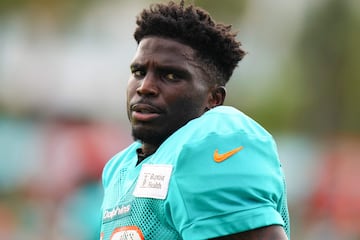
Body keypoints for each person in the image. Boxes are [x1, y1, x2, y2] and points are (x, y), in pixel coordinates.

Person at [100, 1, 290, 239]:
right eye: (139, 72)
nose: (145, 87)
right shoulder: (119, 168)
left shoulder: (215, 142)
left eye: (170, 75)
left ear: (213, 98)